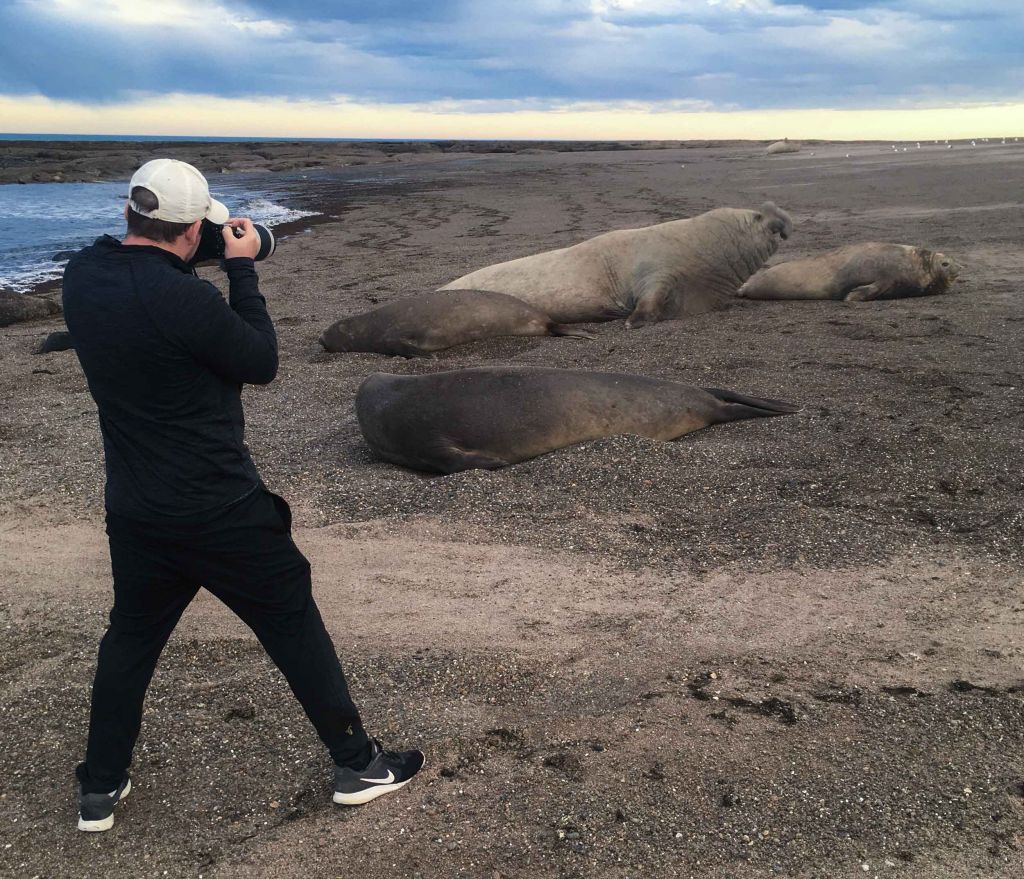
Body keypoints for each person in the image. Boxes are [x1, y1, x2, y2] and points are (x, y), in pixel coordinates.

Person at [62, 158, 423, 833]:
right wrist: (243, 265)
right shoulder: (187, 301)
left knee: (131, 639)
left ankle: (100, 786)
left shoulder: (84, 277)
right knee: (292, 623)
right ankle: (358, 762)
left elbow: (143, 266)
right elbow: (260, 360)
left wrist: (201, 245)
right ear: (194, 227)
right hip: (220, 508)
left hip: (137, 508)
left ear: (126, 214)